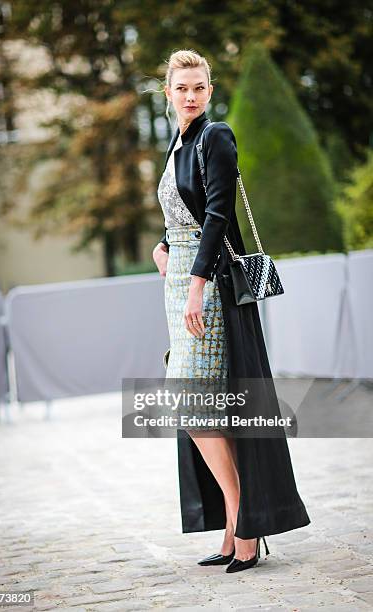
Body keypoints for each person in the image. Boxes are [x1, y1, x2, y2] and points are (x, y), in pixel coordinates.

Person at [152, 49, 310, 573]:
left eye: (199, 87)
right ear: (168, 93)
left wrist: (196, 284)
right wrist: (164, 249)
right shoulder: (176, 140)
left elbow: (218, 213)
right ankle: (233, 528)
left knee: (192, 406)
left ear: (210, 91)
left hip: (207, 284)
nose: (191, 95)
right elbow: (182, 209)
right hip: (179, 280)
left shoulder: (216, 134)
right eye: (182, 88)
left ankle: (245, 521)